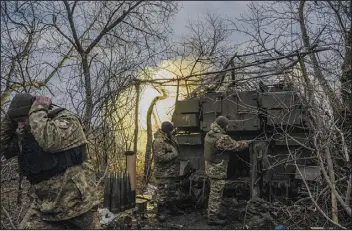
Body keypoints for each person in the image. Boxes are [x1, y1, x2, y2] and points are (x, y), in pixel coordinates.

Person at [0, 93, 101, 229]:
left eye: (23, 119)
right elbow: (2, 145)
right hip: (46, 210)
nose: (20, 125)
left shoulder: (66, 121)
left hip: (78, 208)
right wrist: (9, 118)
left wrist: (37, 110)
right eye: (17, 121)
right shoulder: (25, 135)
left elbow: (50, 142)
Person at [204, 116, 252, 225]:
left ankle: (214, 212)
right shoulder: (222, 137)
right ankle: (212, 218)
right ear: (224, 126)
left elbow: (228, 143)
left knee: (214, 192)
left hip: (211, 168)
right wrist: (247, 142)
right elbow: (235, 146)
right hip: (218, 170)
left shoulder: (210, 134)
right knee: (216, 194)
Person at [152, 121, 183, 222]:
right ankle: (160, 213)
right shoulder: (159, 141)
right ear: (168, 131)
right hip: (162, 173)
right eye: (171, 130)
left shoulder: (169, 138)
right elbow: (160, 158)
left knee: (172, 192)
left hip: (171, 171)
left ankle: (172, 209)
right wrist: (174, 154)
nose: (173, 132)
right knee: (162, 194)